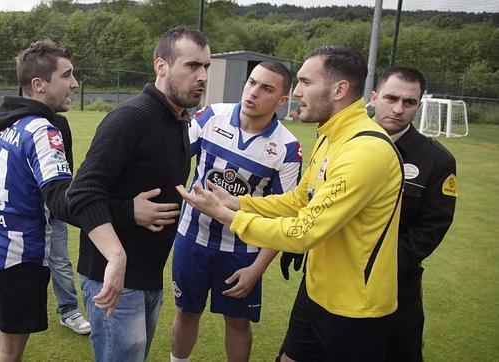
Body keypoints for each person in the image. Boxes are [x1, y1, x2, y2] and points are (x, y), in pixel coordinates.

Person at [177, 45, 405, 361]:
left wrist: (229, 216)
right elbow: (300, 200)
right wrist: (240, 203)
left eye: (305, 82)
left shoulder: (365, 151)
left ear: (339, 90)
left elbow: (303, 233)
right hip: (315, 292)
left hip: (355, 308)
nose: (297, 92)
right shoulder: (332, 136)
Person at [67, 26, 211, 362]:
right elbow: (82, 193)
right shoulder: (132, 118)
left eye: (206, 67)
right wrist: (118, 251)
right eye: (192, 66)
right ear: (161, 66)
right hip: (114, 277)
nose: (202, 76)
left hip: (147, 276)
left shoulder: (178, 120)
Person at [170, 62, 302, 362]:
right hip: (192, 239)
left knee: (238, 322)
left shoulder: (287, 148)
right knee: (187, 311)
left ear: (283, 100)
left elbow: (284, 216)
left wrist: (257, 269)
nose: (254, 92)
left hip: (242, 250)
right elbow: (171, 155)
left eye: (266, 88)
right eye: (252, 82)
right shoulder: (211, 116)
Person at [0, 39, 79, 361]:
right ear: (38, 84)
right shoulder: (43, 130)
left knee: (0, 324)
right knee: (10, 351)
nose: (74, 83)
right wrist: (125, 210)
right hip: (17, 257)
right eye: (67, 75)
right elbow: (61, 200)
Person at [370, 66, 457, 362]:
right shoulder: (341, 141)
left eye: (409, 103)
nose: (398, 109)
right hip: (329, 273)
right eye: (391, 98)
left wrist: (380, 265)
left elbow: (431, 228)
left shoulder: (437, 160)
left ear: (419, 105)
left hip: (395, 284)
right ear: (373, 97)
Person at [47, 113, 90, 335]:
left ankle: (69, 311)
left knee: (60, 259)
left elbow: (67, 164)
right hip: (22, 208)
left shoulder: (60, 123)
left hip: (52, 205)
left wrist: (60, 200)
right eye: (65, 76)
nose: (73, 84)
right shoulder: (14, 120)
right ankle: (5, 304)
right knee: (20, 261)